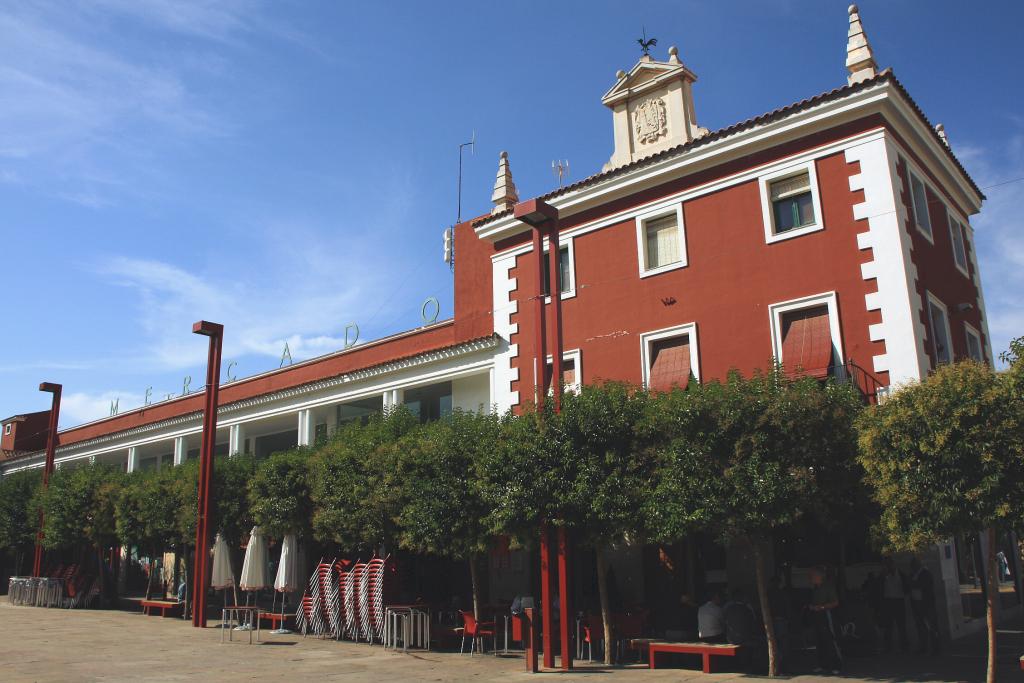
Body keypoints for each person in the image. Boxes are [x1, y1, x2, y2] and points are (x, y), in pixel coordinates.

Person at [808, 566, 842, 674]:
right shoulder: (815, 588)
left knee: (830, 640)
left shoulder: (828, 586)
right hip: (817, 616)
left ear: (820, 576)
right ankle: (822, 665)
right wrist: (812, 607)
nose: (811, 577)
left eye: (813, 575)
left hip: (826, 615)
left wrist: (822, 607)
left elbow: (835, 602)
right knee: (819, 641)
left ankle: (836, 665)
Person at [908, 558, 940, 654]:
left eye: (914, 566)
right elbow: (909, 585)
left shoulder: (926, 573)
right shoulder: (912, 574)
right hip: (916, 603)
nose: (913, 568)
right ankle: (923, 647)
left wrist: (913, 584)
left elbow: (922, 585)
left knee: (931, 626)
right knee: (920, 626)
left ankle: (936, 648)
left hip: (927, 604)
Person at [879, 557, 909, 653]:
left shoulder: (901, 574)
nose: (888, 566)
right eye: (886, 564)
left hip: (899, 601)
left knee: (901, 625)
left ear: (893, 564)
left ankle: (904, 646)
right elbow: (879, 587)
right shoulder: (883, 576)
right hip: (888, 601)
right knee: (888, 625)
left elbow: (906, 587)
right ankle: (888, 646)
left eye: (889, 564)